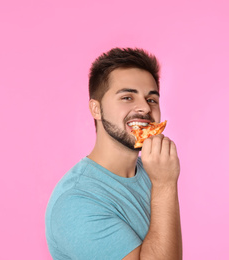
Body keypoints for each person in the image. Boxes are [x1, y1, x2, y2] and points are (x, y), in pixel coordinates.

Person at [45, 47, 182, 260]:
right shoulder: (75, 201)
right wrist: (165, 185)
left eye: (152, 99)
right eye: (127, 97)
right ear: (96, 109)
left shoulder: (152, 171)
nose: (145, 108)